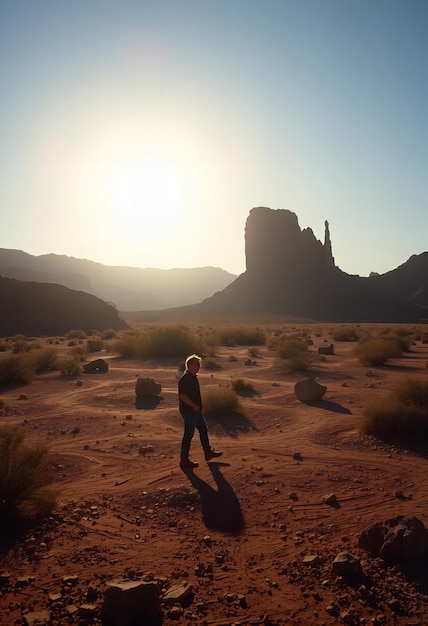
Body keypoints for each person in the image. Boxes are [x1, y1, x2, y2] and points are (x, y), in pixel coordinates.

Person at [178, 354, 223, 468]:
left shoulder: (193, 377)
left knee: (203, 429)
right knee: (188, 434)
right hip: (189, 411)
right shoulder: (185, 379)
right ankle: (184, 459)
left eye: (199, 364)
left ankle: (208, 452)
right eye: (197, 364)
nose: (199, 366)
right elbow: (182, 395)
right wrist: (193, 405)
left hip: (196, 410)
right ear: (189, 365)